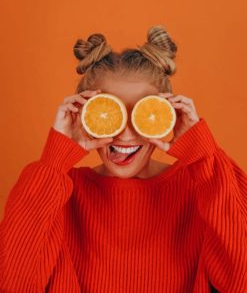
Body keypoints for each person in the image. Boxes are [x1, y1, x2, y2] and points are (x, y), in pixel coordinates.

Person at [0, 25, 246, 293]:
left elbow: (240, 279)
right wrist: (54, 161)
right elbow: (11, 283)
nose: (126, 135)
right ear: (82, 115)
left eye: (142, 114)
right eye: (109, 113)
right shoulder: (56, 193)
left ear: (167, 114)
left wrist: (203, 155)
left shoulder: (203, 187)